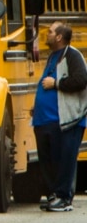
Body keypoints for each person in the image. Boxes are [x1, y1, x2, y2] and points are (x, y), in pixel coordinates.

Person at [33, 21, 87, 212]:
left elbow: (81, 80)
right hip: (44, 120)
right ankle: (53, 194)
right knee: (48, 160)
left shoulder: (72, 55)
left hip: (66, 120)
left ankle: (64, 197)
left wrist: (56, 84)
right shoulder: (52, 57)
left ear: (58, 37)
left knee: (65, 160)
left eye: (50, 32)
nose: (46, 34)